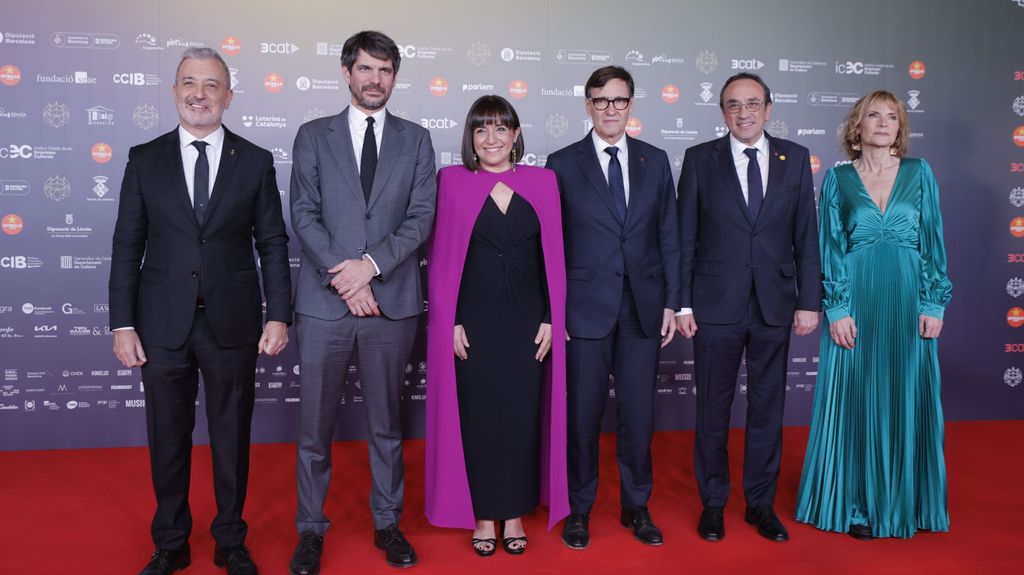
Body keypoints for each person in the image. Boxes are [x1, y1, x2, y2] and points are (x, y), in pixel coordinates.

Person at [109, 47, 292, 575]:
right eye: (189, 82)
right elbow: (127, 244)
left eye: (211, 85)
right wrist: (122, 323)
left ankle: (231, 540)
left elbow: (273, 243)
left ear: (228, 97)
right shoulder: (144, 158)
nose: (199, 93)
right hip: (161, 322)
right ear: (174, 91)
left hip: (231, 323)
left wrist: (278, 313)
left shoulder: (254, 160)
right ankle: (171, 541)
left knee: (231, 436)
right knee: (167, 437)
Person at [288, 30, 436, 574]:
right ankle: (309, 530)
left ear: (395, 77)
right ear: (347, 72)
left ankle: (387, 523)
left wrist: (370, 268)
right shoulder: (312, 135)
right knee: (314, 428)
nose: (376, 80)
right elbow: (303, 214)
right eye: (367, 69)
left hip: (391, 302)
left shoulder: (417, 140)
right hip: (325, 304)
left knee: (385, 424)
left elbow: (420, 218)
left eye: (386, 71)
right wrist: (348, 279)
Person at [796, 91, 952, 539]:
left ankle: (907, 501)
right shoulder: (836, 179)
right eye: (873, 115)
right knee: (856, 397)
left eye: (892, 117)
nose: (883, 123)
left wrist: (933, 302)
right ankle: (858, 505)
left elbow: (933, 244)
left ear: (900, 128)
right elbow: (830, 248)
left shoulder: (920, 173)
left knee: (905, 394)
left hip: (907, 301)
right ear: (857, 126)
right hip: (855, 302)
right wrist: (837, 307)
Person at [677, 72, 820, 543]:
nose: (744, 113)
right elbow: (684, 238)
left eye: (753, 103)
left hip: (774, 305)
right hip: (714, 305)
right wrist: (681, 304)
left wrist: (809, 302)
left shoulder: (795, 158)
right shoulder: (700, 160)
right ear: (723, 112)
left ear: (769, 109)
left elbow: (805, 235)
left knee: (767, 410)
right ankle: (713, 503)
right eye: (734, 105)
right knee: (712, 411)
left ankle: (760, 504)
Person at [425, 95, 569, 556]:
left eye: (501, 129)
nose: (492, 138)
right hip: (474, 323)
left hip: (529, 322)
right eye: (481, 130)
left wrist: (552, 316)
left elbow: (554, 258)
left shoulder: (543, 182)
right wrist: (449, 321)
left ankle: (515, 512)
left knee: (523, 417)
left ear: (515, 135)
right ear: (470, 137)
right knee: (479, 416)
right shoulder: (450, 181)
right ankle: (484, 514)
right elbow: (442, 259)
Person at [545, 66, 680, 550]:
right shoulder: (561, 164)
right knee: (582, 415)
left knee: (639, 416)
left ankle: (635, 505)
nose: (609, 109)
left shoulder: (655, 160)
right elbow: (550, 245)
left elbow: (669, 236)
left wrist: (671, 301)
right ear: (587, 105)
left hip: (643, 309)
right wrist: (553, 311)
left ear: (631, 105)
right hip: (583, 309)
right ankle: (578, 508)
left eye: (618, 101)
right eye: (600, 101)